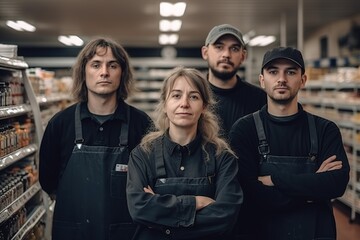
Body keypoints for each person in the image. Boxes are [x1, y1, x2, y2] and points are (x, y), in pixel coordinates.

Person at [229, 46, 350, 239]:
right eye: (273, 71)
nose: (282, 79)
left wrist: (275, 180)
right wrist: (312, 189)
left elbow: (336, 184)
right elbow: (249, 193)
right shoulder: (244, 130)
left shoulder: (325, 130)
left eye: (291, 72)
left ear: (303, 80)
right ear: (262, 80)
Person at [39, 38, 153, 240]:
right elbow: (48, 181)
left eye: (113, 65)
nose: (104, 72)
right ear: (84, 72)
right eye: (96, 64)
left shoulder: (142, 124)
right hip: (73, 231)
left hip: (126, 233)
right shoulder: (60, 124)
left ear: (122, 73)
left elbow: (150, 184)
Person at [126, 66, 243, 240]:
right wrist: (197, 202)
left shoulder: (222, 157)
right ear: (165, 105)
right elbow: (139, 209)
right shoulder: (143, 154)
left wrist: (161, 219)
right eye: (176, 95)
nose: (184, 103)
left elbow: (225, 216)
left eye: (194, 96)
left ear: (204, 106)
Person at [201, 24, 267, 137]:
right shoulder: (194, 95)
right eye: (219, 47)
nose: (226, 54)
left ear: (243, 56)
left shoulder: (259, 99)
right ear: (205, 53)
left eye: (234, 49)